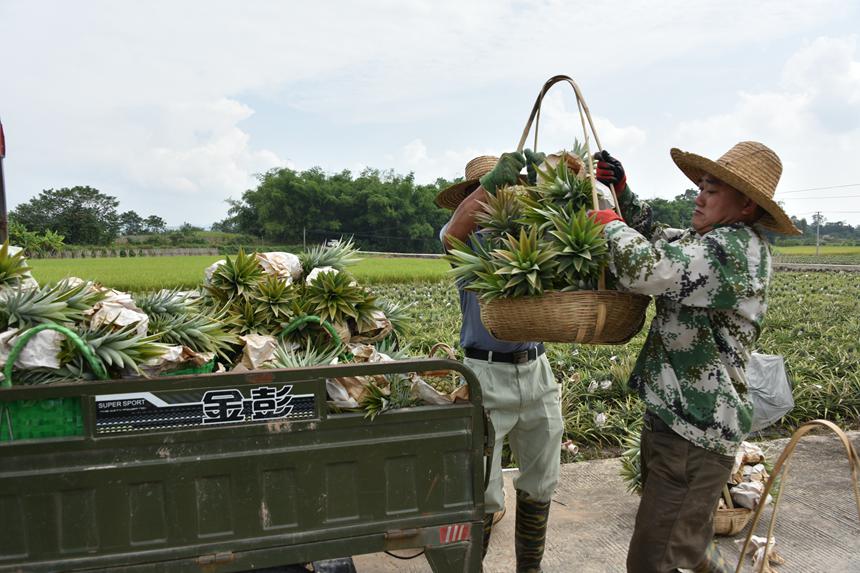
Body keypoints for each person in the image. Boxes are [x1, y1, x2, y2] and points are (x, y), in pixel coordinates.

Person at [589, 142, 801, 573]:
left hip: (696, 432)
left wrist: (607, 223)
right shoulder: (706, 239)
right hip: (678, 421)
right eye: (700, 187)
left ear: (745, 205)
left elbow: (648, 268)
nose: (698, 197)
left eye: (712, 190)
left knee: (655, 558)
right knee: (687, 545)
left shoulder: (735, 250)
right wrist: (622, 194)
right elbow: (657, 238)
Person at [436, 152, 564, 573]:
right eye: (486, 191)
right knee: (483, 491)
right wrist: (491, 183)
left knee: (541, 481)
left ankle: (531, 568)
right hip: (484, 373)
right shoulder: (468, 246)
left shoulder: (531, 237)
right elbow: (450, 232)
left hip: (537, 368)